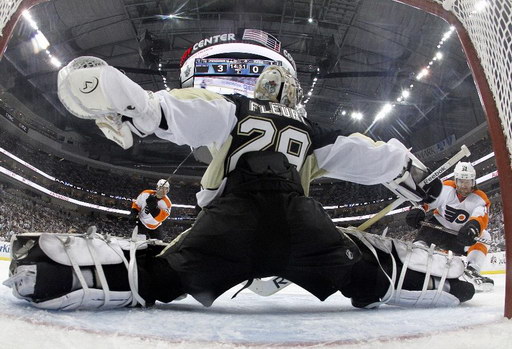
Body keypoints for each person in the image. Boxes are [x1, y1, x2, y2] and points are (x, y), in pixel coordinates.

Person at [3, 56, 475, 310]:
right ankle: (448, 282)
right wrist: (417, 180)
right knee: (367, 278)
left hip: (231, 221)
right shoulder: (312, 130)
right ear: (293, 93)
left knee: (158, 277)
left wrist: (126, 105)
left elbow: (166, 112)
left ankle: (52, 270)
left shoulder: (234, 107)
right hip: (301, 225)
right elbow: (374, 159)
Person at [406, 161, 494, 291]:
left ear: (474, 182)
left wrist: (473, 228)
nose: (464, 186)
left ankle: (472, 270)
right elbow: (428, 200)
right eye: (461, 182)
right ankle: (414, 265)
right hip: (436, 229)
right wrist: (418, 209)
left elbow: (480, 217)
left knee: (485, 236)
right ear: (455, 180)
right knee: (419, 247)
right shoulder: (446, 188)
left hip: (460, 237)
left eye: (468, 182)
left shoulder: (480, 198)